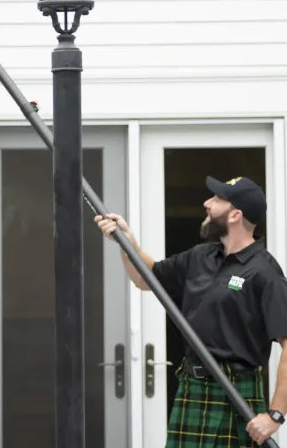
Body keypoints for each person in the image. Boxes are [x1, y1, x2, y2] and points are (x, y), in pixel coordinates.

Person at [96, 176, 287, 447]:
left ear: (235, 215)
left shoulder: (265, 272)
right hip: (192, 388)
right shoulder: (200, 256)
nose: (206, 203)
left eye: (217, 199)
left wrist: (275, 415)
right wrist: (127, 245)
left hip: (236, 393)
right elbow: (146, 278)